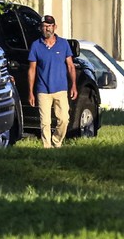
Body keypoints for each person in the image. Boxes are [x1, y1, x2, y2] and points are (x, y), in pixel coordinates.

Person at [28, 15, 78, 148]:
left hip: (61, 88)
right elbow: (32, 69)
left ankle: (57, 141)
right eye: (44, 26)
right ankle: (47, 147)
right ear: (41, 28)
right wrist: (31, 92)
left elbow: (70, 66)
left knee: (64, 119)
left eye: (49, 26)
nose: (47, 29)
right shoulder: (36, 45)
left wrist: (73, 85)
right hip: (43, 89)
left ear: (55, 27)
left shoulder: (63, 44)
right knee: (45, 122)